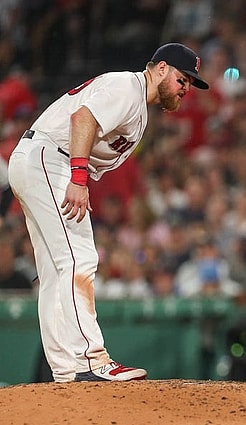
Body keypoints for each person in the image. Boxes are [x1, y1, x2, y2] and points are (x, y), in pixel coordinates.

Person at [7, 42, 209, 382]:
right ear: (160, 68)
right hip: (50, 158)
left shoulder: (139, 106)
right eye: (182, 78)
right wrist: (78, 176)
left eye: (190, 83)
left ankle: (66, 369)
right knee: (80, 260)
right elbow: (82, 117)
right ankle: (90, 361)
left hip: (41, 159)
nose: (185, 88)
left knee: (58, 271)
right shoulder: (127, 87)